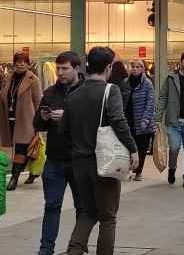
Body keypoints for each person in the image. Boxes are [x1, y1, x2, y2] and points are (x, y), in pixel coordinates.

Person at [61, 46, 139, 255]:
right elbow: (118, 121)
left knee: (87, 212)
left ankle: (74, 251)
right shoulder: (110, 90)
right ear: (108, 67)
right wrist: (133, 149)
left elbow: (64, 130)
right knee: (108, 218)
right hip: (104, 163)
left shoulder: (73, 95)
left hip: (80, 163)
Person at [34, 51, 84, 255]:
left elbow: (93, 124)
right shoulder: (50, 92)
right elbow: (36, 124)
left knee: (83, 208)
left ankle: (77, 246)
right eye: (58, 68)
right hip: (55, 159)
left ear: (77, 69)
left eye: (65, 69)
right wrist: (44, 117)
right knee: (52, 206)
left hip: (80, 158)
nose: (60, 73)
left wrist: (67, 117)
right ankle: (46, 249)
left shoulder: (86, 92)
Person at [157, 51, 184, 187]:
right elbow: (163, 97)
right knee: (174, 148)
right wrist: (158, 117)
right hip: (174, 120)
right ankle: (172, 169)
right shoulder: (171, 78)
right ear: (181, 62)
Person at [2, 51, 42, 190]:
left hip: (27, 121)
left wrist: (38, 123)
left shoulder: (33, 79)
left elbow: (38, 102)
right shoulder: (9, 78)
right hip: (9, 119)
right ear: (14, 64)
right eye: (17, 62)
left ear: (28, 63)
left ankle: (14, 177)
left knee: (20, 148)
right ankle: (34, 171)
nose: (20, 64)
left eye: (23, 61)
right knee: (26, 150)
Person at [126, 59, 156, 181]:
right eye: (133, 66)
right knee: (128, 148)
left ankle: (138, 172)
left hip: (143, 122)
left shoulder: (147, 84)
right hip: (129, 120)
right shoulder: (126, 82)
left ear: (143, 69)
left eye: (138, 66)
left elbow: (150, 103)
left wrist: (145, 120)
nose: (135, 69)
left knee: (141, 149)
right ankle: (128, 170)